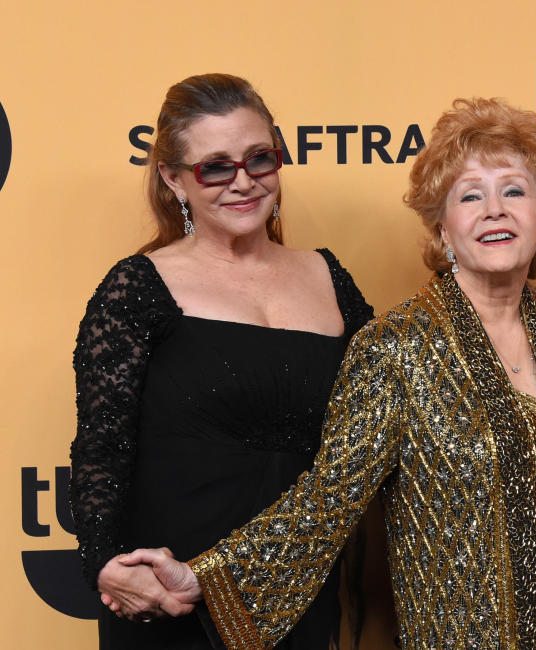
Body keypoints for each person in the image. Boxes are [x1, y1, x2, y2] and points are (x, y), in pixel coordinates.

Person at [110, 97, 536, 649]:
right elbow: (327, 499)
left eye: (515, 191)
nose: (494, 210)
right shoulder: (397, 348)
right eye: (470, 197)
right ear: (442, 228)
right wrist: (202, 578)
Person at [69, 73, 373, 649]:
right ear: (173, 179)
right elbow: (101, 446)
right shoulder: (138, 286)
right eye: (215, 166)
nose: (244, 181)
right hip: (171, 593)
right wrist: (104, 562)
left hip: (296, 589)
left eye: (260, 158)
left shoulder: (329, 277)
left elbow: (389, 412)